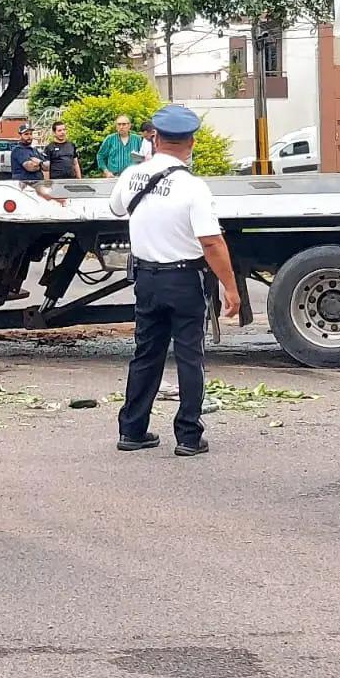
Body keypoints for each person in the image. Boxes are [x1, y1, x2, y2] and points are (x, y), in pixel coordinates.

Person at [112, 104, 240, 458]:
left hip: (146, 280)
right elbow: (211, 242)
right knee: (189, 356)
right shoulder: (193, 187)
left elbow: (116, 209)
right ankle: (187, 436)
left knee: (145, 355)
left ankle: (132, 430)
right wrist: (230, 287)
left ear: (154, 137)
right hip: (184, 280)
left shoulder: (131, 175)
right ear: (192, 142)